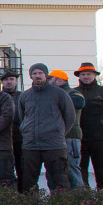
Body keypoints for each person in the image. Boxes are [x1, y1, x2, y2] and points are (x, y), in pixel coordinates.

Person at [17, 62, 78, 194]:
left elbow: (70, 117)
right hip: (31, 145)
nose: (37, 76)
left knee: (60, 180)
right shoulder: (25, 96)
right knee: (28, 182)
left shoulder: (59, 94)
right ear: (31, 76)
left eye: (40, 73)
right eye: (34, 73)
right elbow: (22, 118)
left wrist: (59, 133)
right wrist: (27, 131)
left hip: (54, 145)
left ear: (46, 75)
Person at [75, 62, 103, 190]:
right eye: (83, 74)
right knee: (80, 173)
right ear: (79, 76)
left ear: (94, 75)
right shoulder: (74, 93)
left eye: (89, 74)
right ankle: (83, 198)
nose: (86, 77)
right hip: (79, 139)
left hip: (101, 139)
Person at [54, 70, 86, 189]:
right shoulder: (54, 94)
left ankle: (78, 197)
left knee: (72, 169)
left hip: (70, 137)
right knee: (59, 170)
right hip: (57, 138)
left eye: (50, 79)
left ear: (59, 80)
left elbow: (79, 103)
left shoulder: (74, 94)